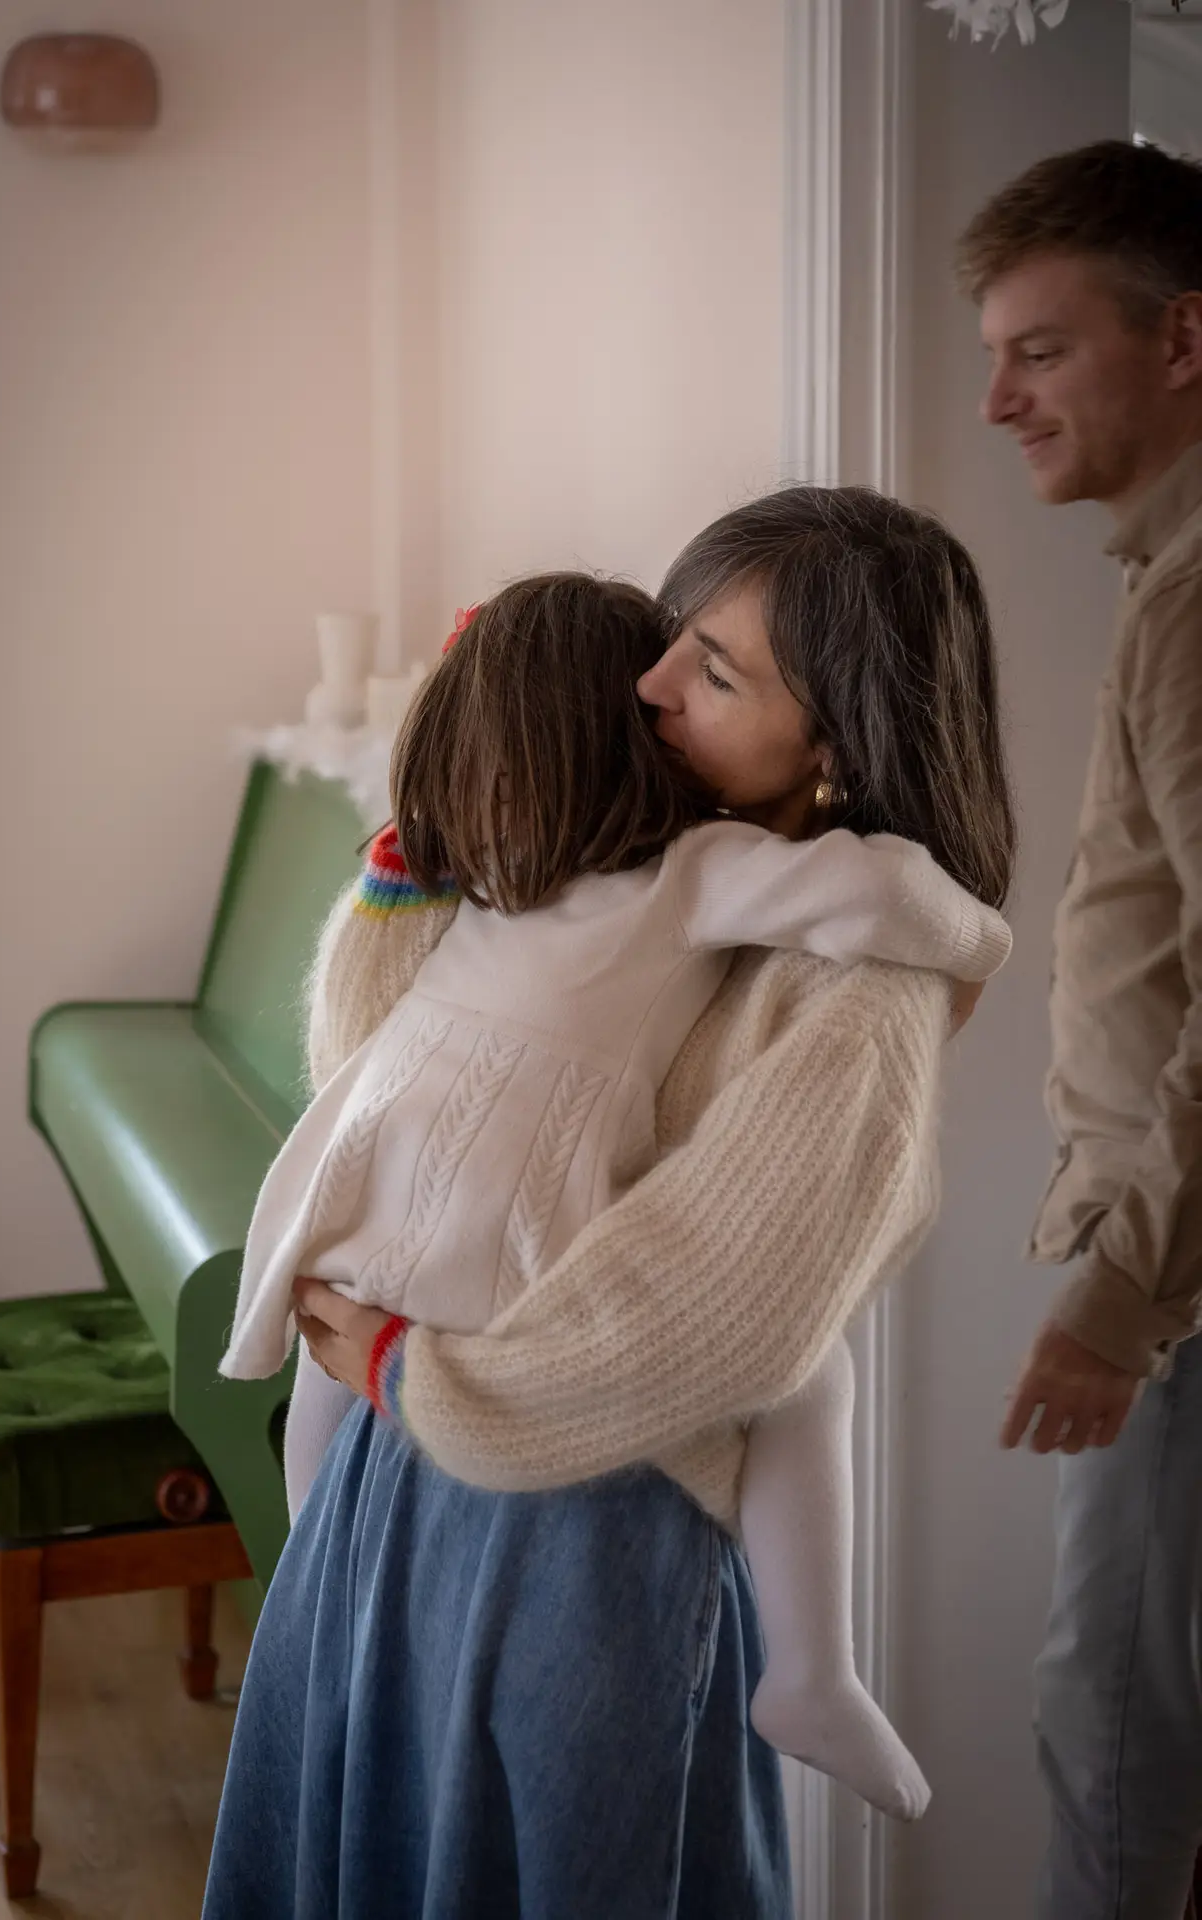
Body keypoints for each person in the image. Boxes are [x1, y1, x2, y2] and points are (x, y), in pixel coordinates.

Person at [203, 488, 1017, 1920]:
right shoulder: (614, 850)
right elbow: (387, 1073)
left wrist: (413, 1371)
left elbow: (721, 1314)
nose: (648, 683)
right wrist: (432, 839)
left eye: (712, 670)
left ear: (827, 739)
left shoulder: (847, 982)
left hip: (582, 1519)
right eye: (672, 640)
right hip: (418, 1456)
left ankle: (810, 1680)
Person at [962, 139, 1202, 1919]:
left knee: (1111, 1730)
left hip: (1185, 1284)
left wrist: (1121, 1294)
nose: (997, 399)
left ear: (1181, 339)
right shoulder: (1167, 578)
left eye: (1039, 350)